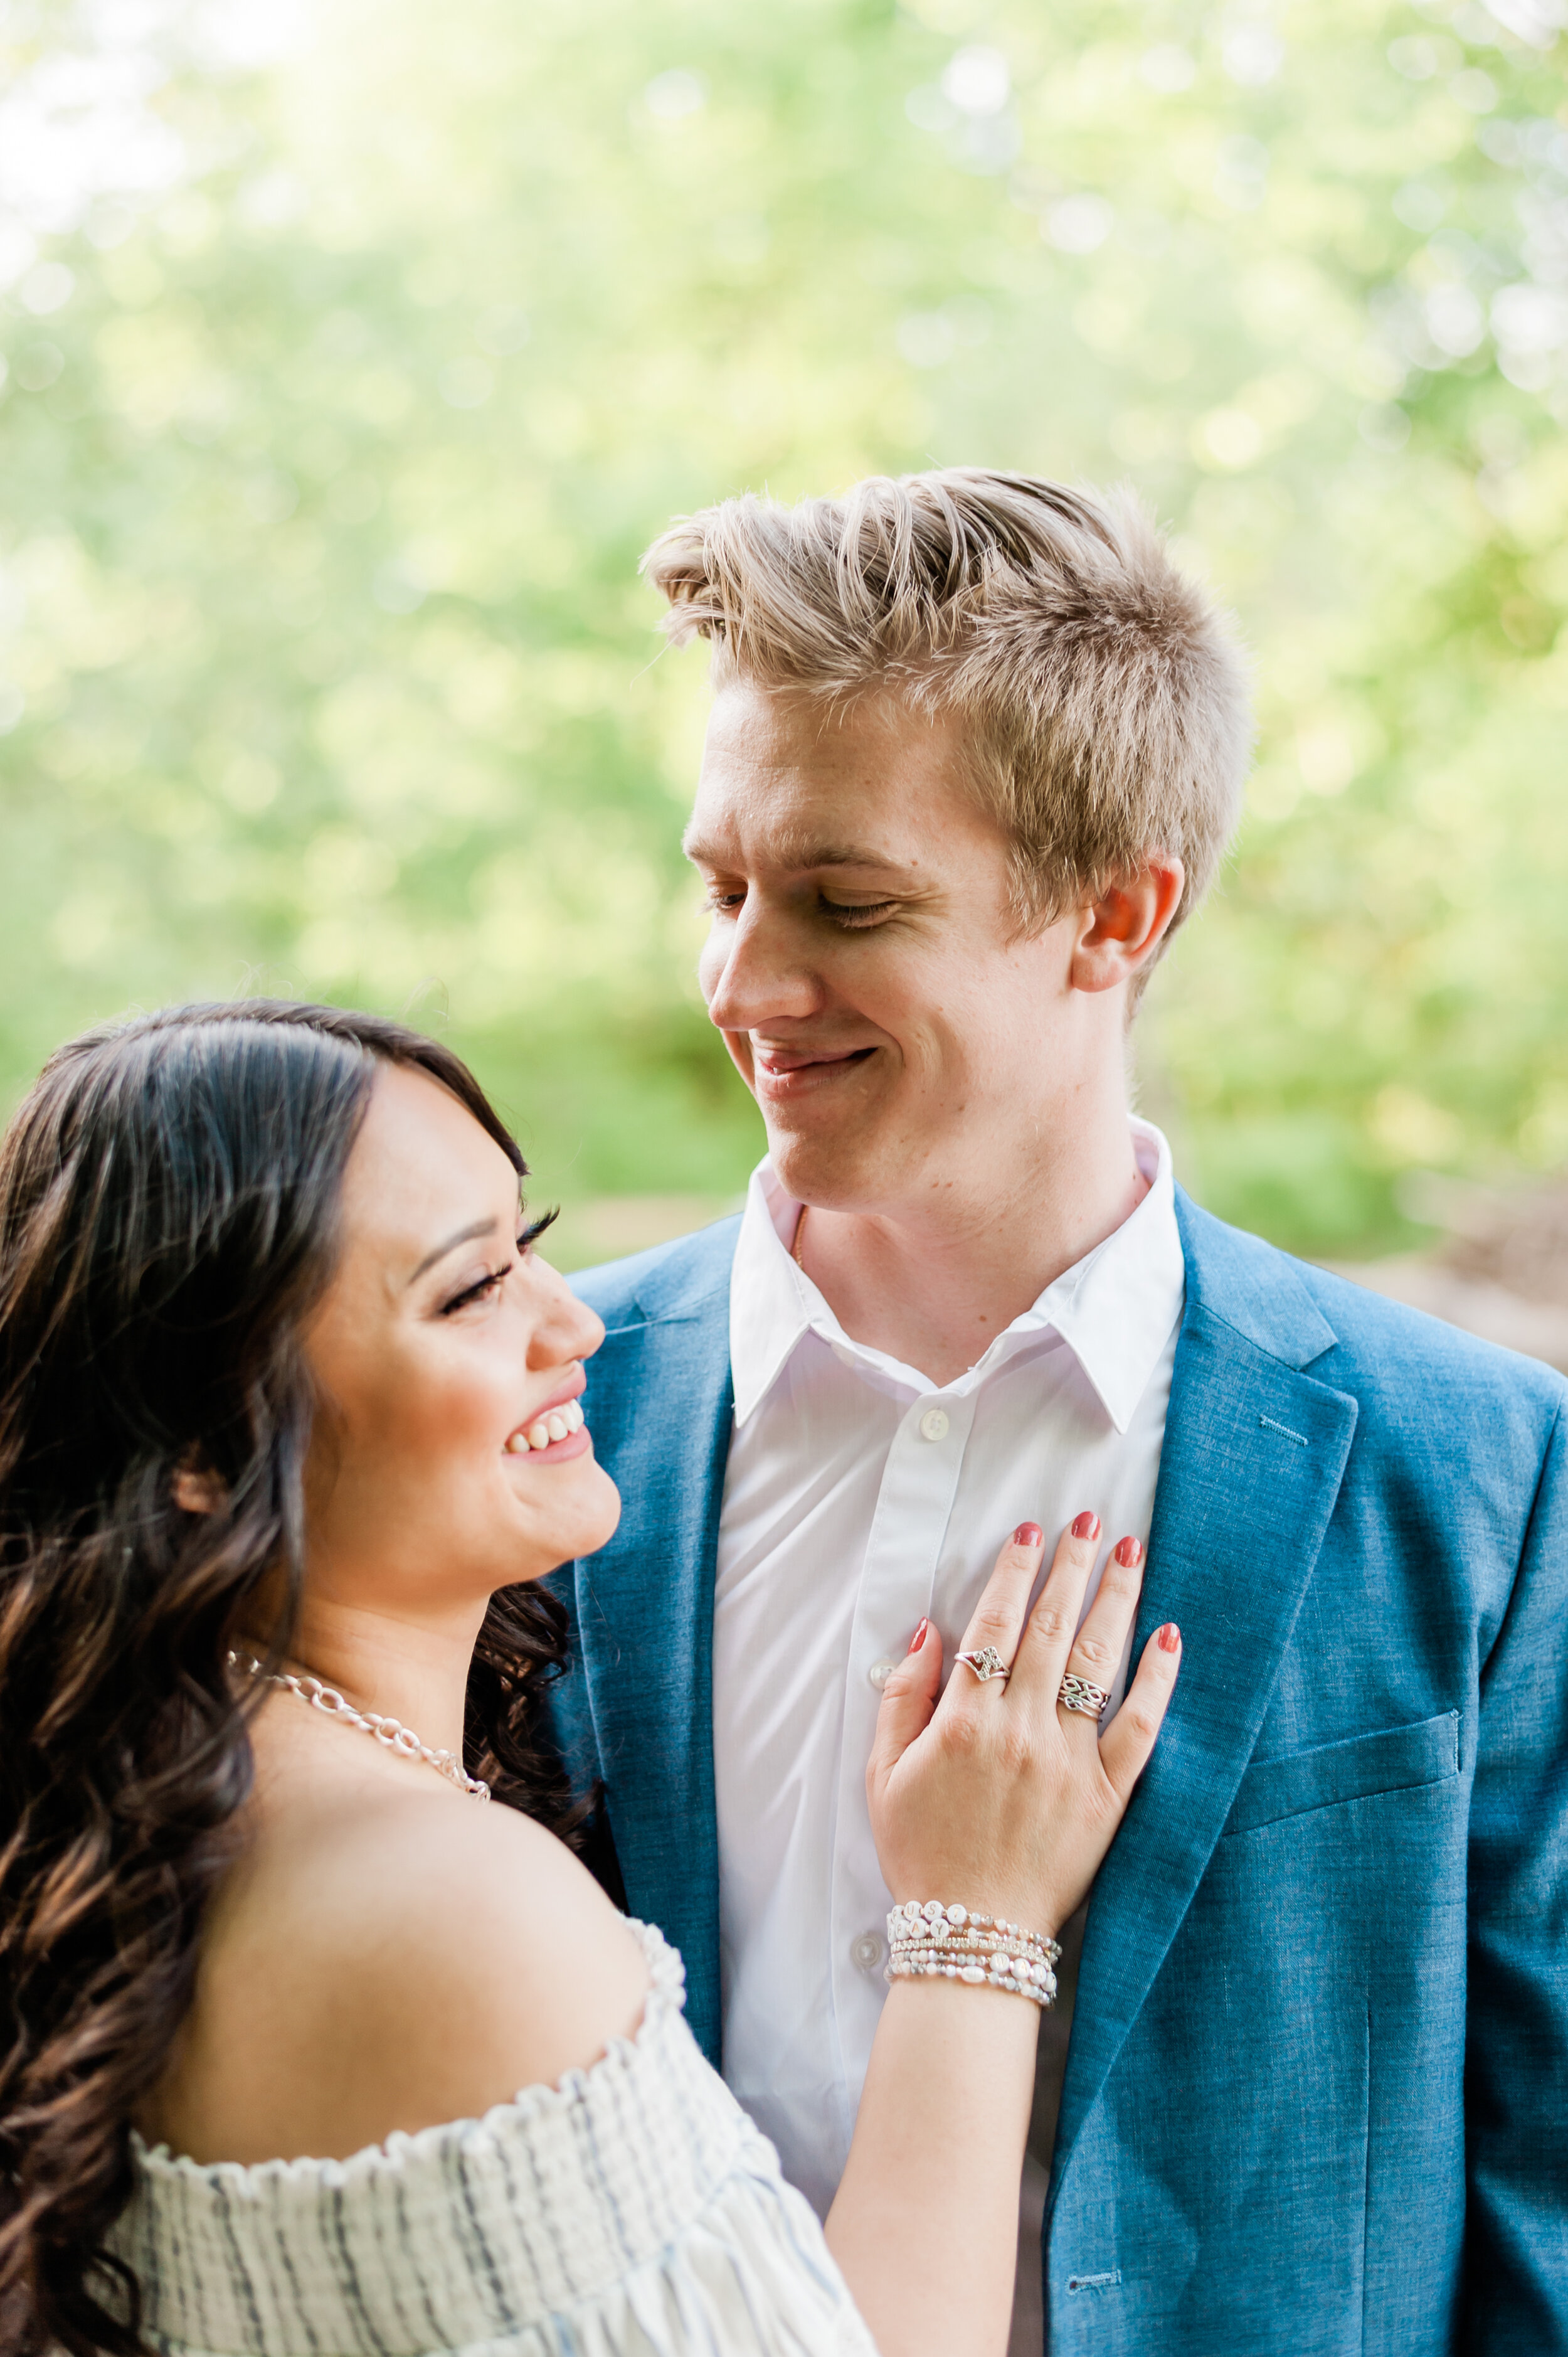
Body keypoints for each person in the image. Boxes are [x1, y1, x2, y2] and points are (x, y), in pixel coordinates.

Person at [545, 469, 1568, 2354]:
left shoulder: (1487, 1476)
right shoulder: (541, 1419)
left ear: (1114, 913)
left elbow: (1545, 2204)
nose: (743, 980)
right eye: (722, 882)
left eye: (845, 900)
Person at [0, 998, 1181, 2357]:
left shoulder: (141, 1799)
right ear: (198, 1445)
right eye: (468, 1289)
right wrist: (975, 1922)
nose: (573, 1322)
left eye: (531, 1247)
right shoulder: (450, 1907)